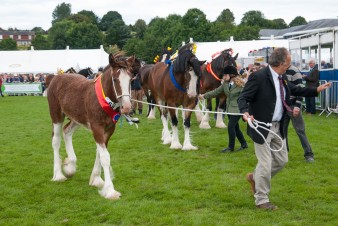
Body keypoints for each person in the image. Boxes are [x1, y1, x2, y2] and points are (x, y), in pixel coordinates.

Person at [238, 47, 331, 210]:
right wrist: (245, 113)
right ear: (280, 63)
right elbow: (243, 97)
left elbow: (295, 90)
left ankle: (255, 178)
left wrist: (316, 89)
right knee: (265, 164)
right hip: (260, 126)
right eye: (288, 63)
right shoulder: (258, 77)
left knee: (282, 160)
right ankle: (261, 200)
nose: (290, 66)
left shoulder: (283, 78)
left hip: (278, 126)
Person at [199, 67, 248, 153]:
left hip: (237, 109)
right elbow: (216, 91)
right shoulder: (225, 84)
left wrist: (246, 110)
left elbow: (246, 98)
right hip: (229, 109)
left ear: (232, 75)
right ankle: (244, 144)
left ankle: (230, 147)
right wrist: (204, 96)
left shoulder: (241, 86)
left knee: (230, 127)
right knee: (236, 128)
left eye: (225, 75)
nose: (223, 76)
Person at [284, 65, 314, 162]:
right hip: (282, 106)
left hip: (293, 105)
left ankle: (309, 154)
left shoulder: (294, 70)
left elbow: (301, 88)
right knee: (281, 132)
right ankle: (284, 154)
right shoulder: (278, 70)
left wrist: (297, 105)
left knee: (300, 130)